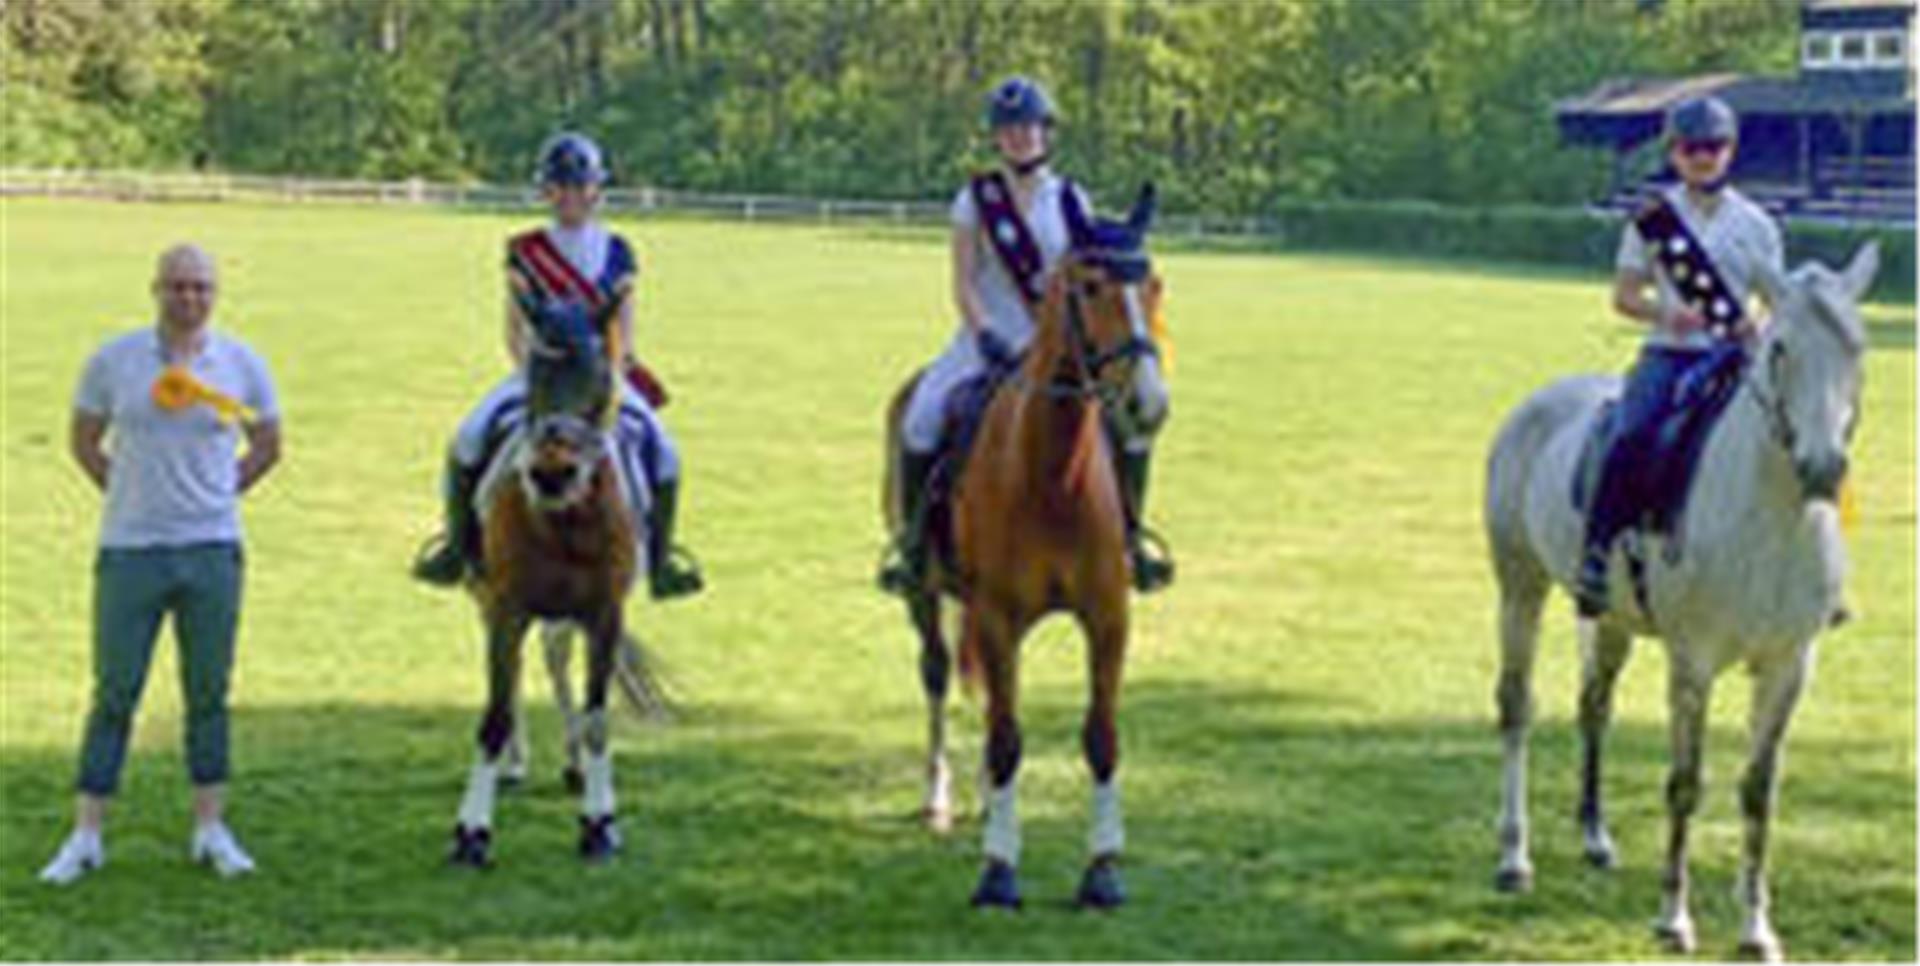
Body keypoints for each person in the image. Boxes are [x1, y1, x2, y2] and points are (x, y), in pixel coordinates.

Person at [40, 244, 283, 884]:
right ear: (155, 290)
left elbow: (269, 442)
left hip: (212, 552)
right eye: (177, 286)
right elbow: (83, 440)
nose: (189, 298)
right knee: (114, 693)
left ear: (215, 294)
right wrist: (127, 495)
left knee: (209, 694)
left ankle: (211, 827)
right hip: (130, 553)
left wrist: (219, 496)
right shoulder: (114, 361)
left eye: (200, 287)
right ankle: (86, 834)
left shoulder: (240, 363)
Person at [879, 76, 1173, 596]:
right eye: (1009, 130)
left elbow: (1089, 281)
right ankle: (913, 547)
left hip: (1057, 346)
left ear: (1046, 133)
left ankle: (1130, 542)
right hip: (984, 340)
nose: (1020, 138)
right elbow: (964, 282)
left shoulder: (1071, 199)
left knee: (1131, 427)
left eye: (1029, 128)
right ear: (997, 138)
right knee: (921, 419)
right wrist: (986, 333)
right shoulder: (975, 200)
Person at [411, 132, 702, 600]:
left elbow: (623, 332)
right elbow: (514, 330)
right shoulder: (525, 251)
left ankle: (663, 561)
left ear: (595, 191)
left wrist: (604, 377)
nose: (569, 196)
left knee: (666, 453)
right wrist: (537, 373)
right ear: (546, 192)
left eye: (578, 186)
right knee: (466, 441)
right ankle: (457, 550)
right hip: (540, 377)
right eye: (559, 186)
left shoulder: (618, 253)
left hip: (601, 380)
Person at [1577, 95, 1784, 617]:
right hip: (1669, 354)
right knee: (1631, 432)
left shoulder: (1758, 225)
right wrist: (1664, 316)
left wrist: (1751, 324)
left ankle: (1820, 571)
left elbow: (1778, 304)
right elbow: (1623, 297)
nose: (1702, 157)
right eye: (1691, 148)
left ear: (1730, 151)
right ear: (1673, 153)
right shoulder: (1652, 219)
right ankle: (1598, 553)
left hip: (1734, 357)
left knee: (1802, 438)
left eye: (1713, 147)